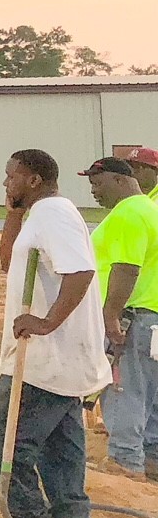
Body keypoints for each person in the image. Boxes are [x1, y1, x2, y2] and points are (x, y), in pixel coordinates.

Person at [0, 148, 115, 518]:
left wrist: (46, 322)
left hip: (47, 359)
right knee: (61, 449)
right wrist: (12, 214)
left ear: (34, 179)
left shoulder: (55, 214)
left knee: (5, 434)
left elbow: (80, 272)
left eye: (11, 176)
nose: (6, 183)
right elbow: (9, 265)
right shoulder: (37, 217)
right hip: (58, 363)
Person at [82, 156, 158, 480]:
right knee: (149, 391)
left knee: (123, 389)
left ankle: (126, 464)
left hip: (132, 316)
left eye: (97, 185)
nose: (94, 193)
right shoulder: (150, 209)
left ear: (118, 180)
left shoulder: (128, 214)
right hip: (149, 316)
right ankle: (150, 458)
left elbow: (127, 267)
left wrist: (111, 315)